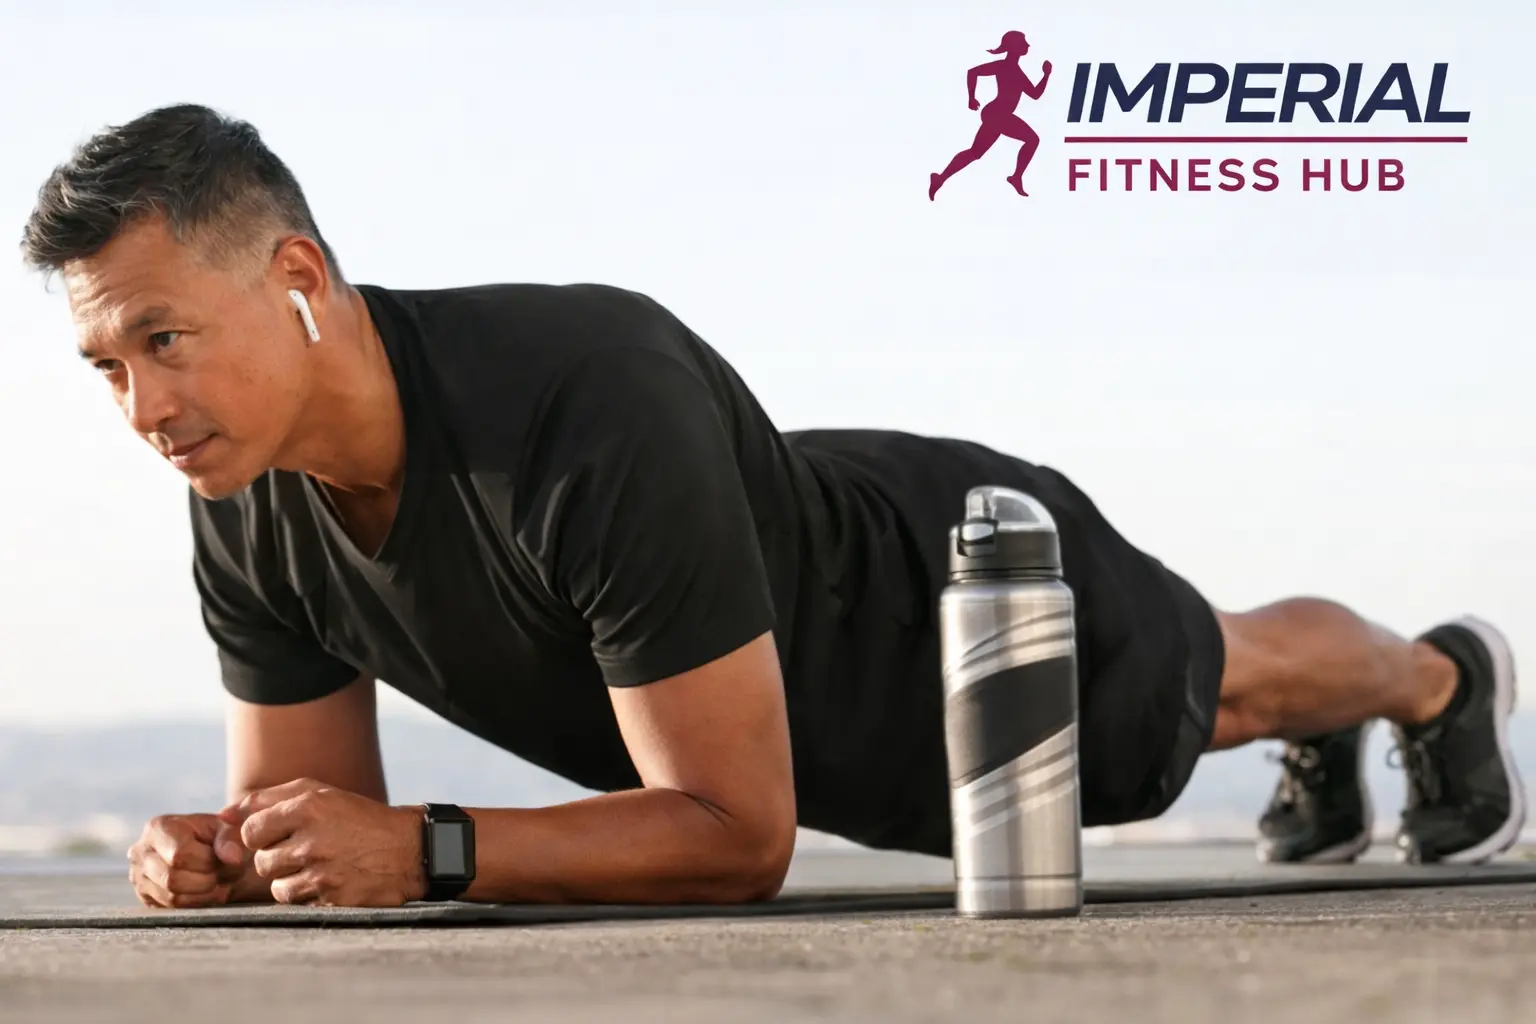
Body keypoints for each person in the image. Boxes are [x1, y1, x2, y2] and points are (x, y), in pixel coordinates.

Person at [18, 104, 1525, 910]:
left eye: (163, 339)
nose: (141, 410)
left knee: (1226, 689)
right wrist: (221, 857)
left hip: (940, 602)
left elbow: (741, 839)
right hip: (781, 649)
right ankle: (1344, 734)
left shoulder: (579, 391)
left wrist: (428, 849)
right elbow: (313, 825)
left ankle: (1440, 677)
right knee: (1236, 697)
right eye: (104, 365)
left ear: (294, 279)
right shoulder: (239, 490)